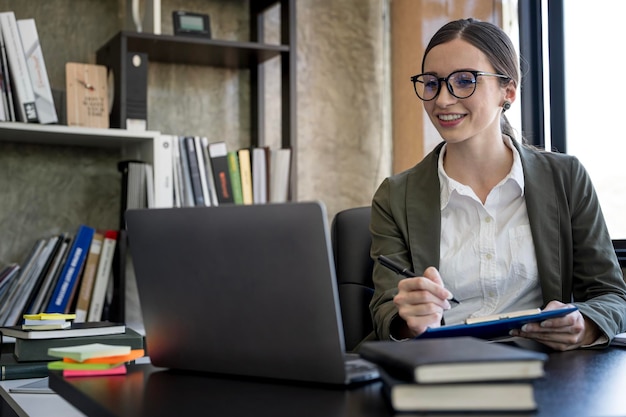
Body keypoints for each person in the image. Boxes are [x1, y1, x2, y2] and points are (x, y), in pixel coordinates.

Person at [369, 17, 626, 351]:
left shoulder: (566, 178)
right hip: (441, 368)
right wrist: (409, 319)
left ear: (508, 90)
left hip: (545, 368)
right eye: (432, 83)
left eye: (464, 81)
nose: (443, 100)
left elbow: (610, 295)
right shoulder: (395, 195)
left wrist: (584, 325)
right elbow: (384, 310)